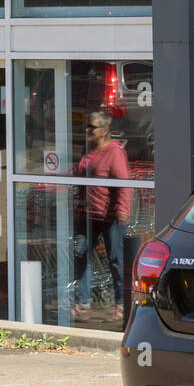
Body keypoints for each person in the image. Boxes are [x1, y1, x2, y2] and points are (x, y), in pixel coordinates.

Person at [73, 112, 130, 322]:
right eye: (86, 126)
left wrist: (122, 210)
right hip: (87, 214)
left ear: (104, 131)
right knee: (80, 253)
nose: (87, 130)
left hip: (110, 217)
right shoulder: (87, 151)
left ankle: (122, 304)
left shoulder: (114, 153)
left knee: (116, 260)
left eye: (92, 127)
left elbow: (124, 183)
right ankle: (83, 304)